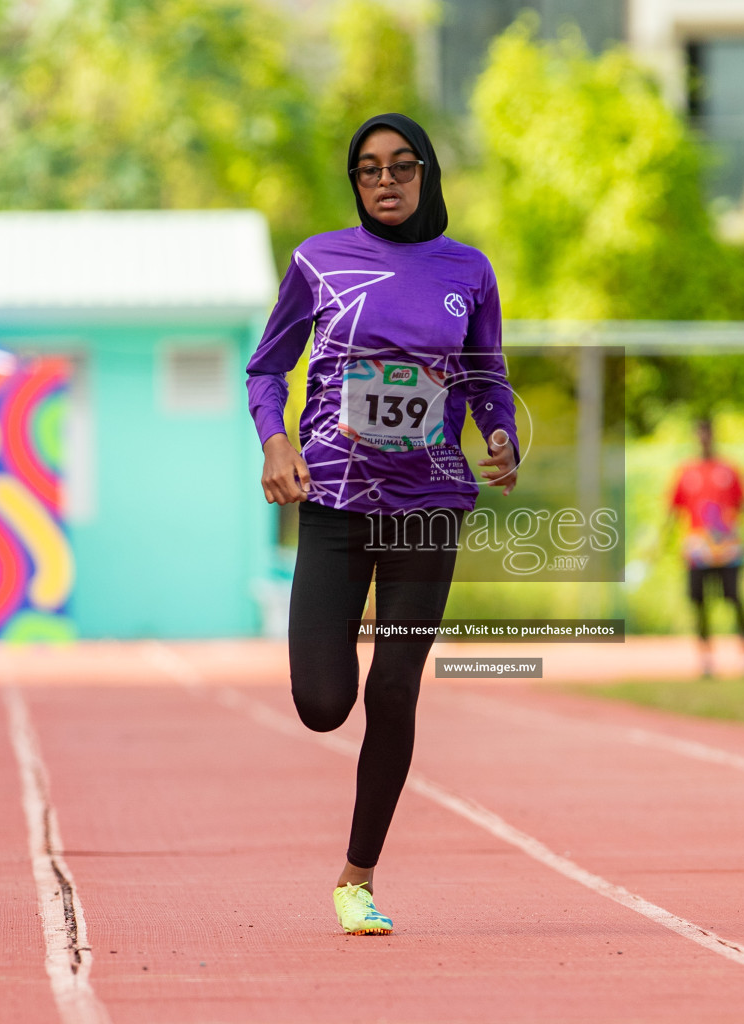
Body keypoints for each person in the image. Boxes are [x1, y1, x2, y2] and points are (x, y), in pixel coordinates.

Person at [245, 113, 519, 934]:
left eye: (403, 166)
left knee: (394, 687)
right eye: (369, 170)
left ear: (428, 174)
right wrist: (275, 441)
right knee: (325, 704)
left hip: (428, 505)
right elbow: (268, 366)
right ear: (355, 184)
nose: (387, 181)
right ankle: (334, 697)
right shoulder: (317, 261)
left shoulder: (466, 270)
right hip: (333, 501)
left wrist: (497, 430)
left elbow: (486, 375)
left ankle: (358, 876)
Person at [666, 417, 744, 678]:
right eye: (700, 434)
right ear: (696, 437)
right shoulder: (686, 471)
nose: (704, 439)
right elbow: (674, 509)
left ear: (713, 436)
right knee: (699, 603)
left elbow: (742, 505)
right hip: (697, 547)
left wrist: (725, 526)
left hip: (726, 544)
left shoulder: (729, 470)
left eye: (707, 434)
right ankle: (707, 661)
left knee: (735, 599)